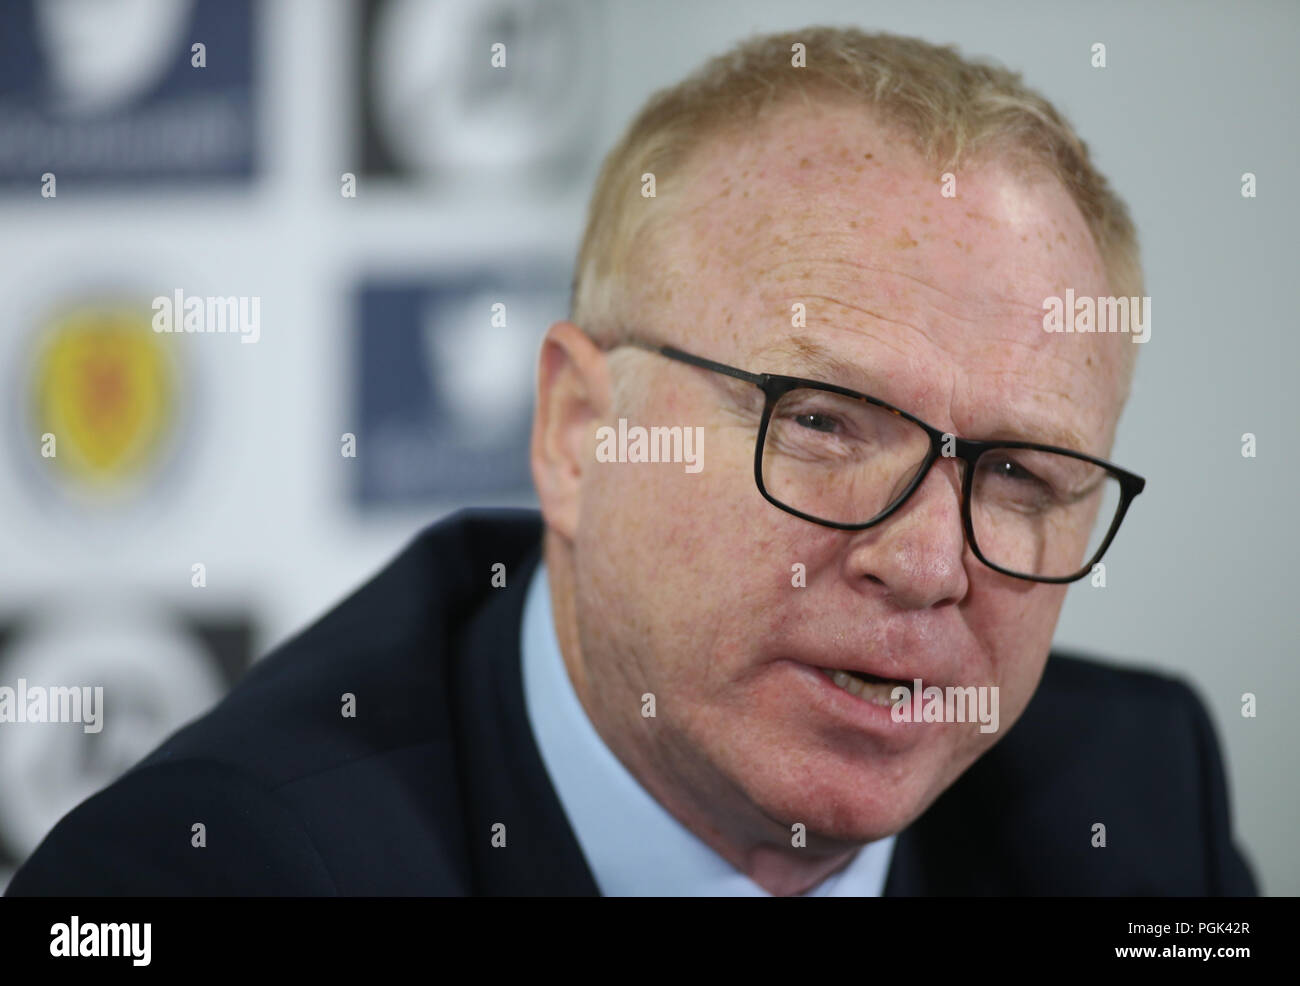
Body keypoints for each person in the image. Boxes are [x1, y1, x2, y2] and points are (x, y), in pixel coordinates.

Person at [7, 27, 1256, 896]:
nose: (928, 562)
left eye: (1021, 476)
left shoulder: (1135, 799)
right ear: (573, 430)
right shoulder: (219, 867)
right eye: (820, 419)